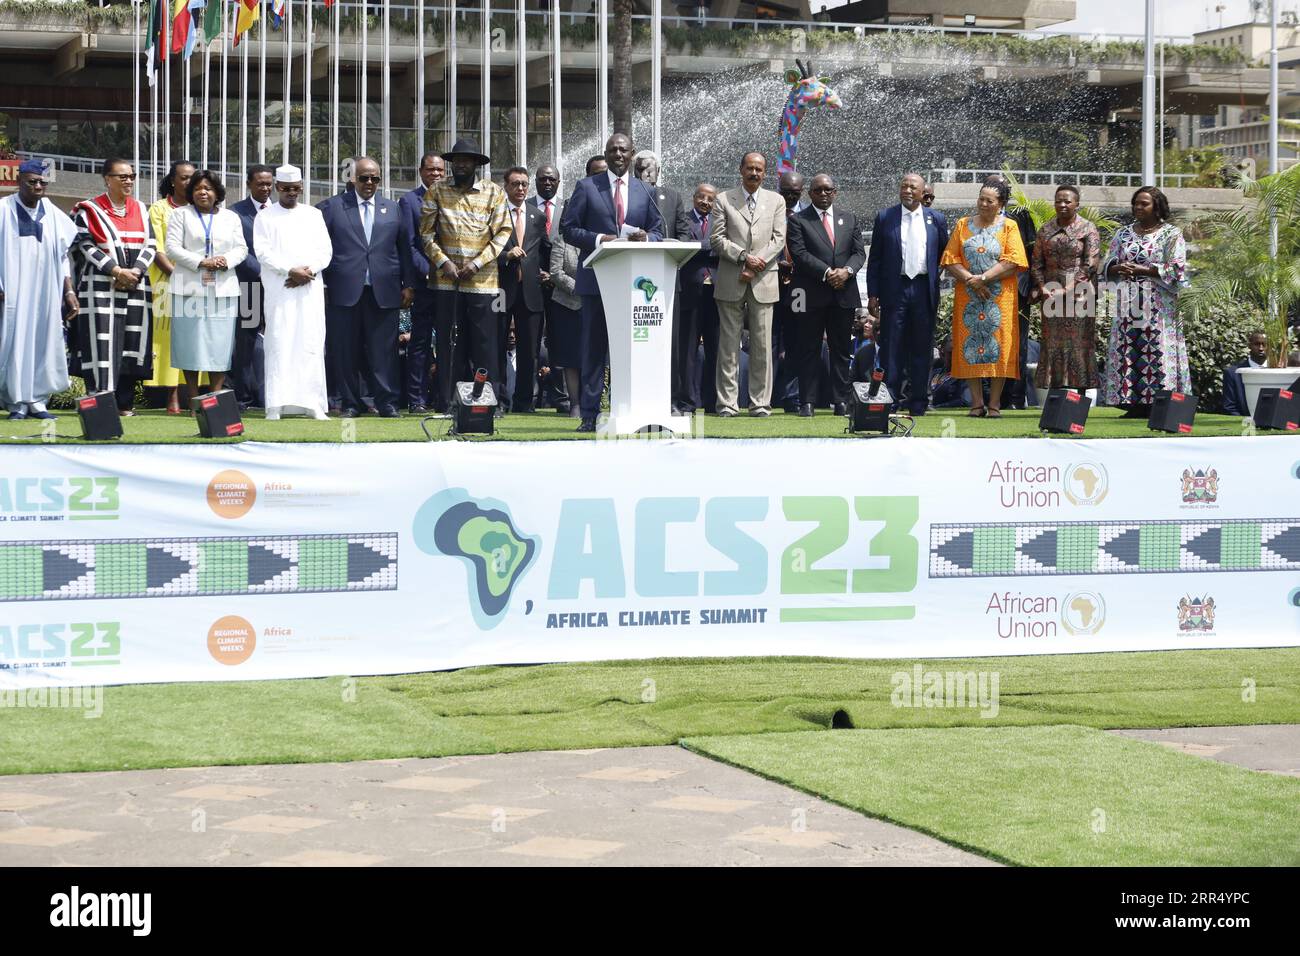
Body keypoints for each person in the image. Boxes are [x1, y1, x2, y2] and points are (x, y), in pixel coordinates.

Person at [559, 132, 665, 432]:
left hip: (634, 285)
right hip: (596, 281)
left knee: (633, 348)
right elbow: (568, 229)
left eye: (623, 150)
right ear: (605, 155)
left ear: (632, 155)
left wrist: (648, 237)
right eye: (612, 150)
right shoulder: (586, 187)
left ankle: (632, 411)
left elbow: (659, 229)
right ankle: (590, 414)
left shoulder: (645, 191)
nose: (618, 154)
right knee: (594, 348)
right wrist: (599, 239)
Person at [420, 138, 513, 411]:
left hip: (483, 283)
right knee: (450, 345)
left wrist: (476, 264)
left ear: (476, 164)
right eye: (456, 160)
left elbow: (504, 232)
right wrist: (443, 262)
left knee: (485, 346)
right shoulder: (436, 190)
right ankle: (448, 402)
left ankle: (486, 405)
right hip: (447, 283)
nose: (461, 164)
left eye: (466, 160)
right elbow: (425, 234)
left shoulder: (494, 192)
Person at [319, 156, 414, 418]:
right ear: (353, 178)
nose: (369, 182)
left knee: (384, 352)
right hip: (344, 290)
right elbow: (320, 248)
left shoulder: (393, 208)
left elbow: (405, 248)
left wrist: (409, 285)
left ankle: (387, 402)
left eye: (375, 178)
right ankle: (350, 403)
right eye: (364, 178)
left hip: (384, 291)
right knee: (345, 350)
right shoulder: (333, 207)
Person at [71, 158, 157, 415]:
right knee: (101, 342)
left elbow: (151, 244)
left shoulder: (141, 209)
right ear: (107, 179)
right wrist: (116, 270)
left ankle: (124, 403)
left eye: (131, 176)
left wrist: (136, 271)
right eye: (122, 176)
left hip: (136, 285)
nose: (128, 181)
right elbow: (85, 245)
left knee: (132, 343)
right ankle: (99, 402)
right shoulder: (89, 209)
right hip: (100, 285)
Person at [940, 178, 1028, 418]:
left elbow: (1014, 261)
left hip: (999, 299)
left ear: (1000, 204)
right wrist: (972, 280)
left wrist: (985, 278)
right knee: (970, 346)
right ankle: (977, 403)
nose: (983, 204)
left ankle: (995, 404)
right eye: (981, 198)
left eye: (989, 201)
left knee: (999, 346)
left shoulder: (1009, 226)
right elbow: (950, 259)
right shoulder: (962, 224)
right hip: (968, 297)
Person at [253, 164, 333, 420]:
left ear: (301, 188)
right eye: (286, 189)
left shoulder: (313, 214)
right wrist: (290, 270)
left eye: (295, 189)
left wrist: (307, 272)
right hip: (281, 288)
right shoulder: (265, 216)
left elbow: (325, 252)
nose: (291, 193)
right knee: (279, 342)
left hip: (309, 288)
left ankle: (313, 403)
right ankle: (276, 404)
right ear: (277, 188)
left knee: (309, 342)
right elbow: (263, 252)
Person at [1101, 185, 1190, 415]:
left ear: (1157, 206)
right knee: (1128, 348)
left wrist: (1145, 270)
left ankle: (1159, 405)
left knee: (1156, 351)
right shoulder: (1123, 233)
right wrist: (1118, 267)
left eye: (1144, 203)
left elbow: (1178, 269)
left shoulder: (1171, 234)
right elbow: (1107, 263)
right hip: (1128, 304)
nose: (1138, 207)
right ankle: (1132, 404)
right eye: (1135, 203)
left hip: (1159, 305)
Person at [0, 159, 78, 420]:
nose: (38, 186)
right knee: (14, 341)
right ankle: (16, 401)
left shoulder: (54, 213)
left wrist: (68, 291)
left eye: (42, 182)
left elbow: (63, 255)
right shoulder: (3, 209)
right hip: (12, 292)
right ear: (18, 182)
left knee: (44, 340)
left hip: (46, 291)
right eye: (32, 181)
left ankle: (37, 400)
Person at [710, 150, 786, 417]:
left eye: (759, 169)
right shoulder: (723, 200)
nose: (754, 173)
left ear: (765, 173)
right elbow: (716, 239)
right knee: (728, 346)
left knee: (763, 347)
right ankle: (727, 404)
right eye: (750, 168)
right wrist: (744, 257)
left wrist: (756, 263)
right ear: (740, 170)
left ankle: (760, 403)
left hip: (764, 280)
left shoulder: (776, 201)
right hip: (731, 279)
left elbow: (779, 240)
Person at [867, 172, 948, 415]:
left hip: (923, 289)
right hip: (895, 289)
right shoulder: (885, 217)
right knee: (892, 346)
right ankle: (891, 399)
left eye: (913, 187)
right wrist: (873, 293)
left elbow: (944, 254)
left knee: (922, 347)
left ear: (924, 192)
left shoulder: (937, 219)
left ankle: (919, 401)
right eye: (904, 186)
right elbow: (876, 259)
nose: (908, 190)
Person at [787, 173, 865, 416]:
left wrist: (847, 271)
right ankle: (807, 402)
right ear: (809, 193)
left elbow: (859, 253)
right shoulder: (799, 220)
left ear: (835, 192)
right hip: (810, 293)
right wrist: (828, 272)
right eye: (818, 190)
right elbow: (799, 254)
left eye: (827, 190)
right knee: (808, 347)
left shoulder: (849, 219)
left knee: (841, 349)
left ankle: (840, 401)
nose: (823, 194)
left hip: (843, 293)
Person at [166, 170, 247, 398]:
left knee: (219, 345)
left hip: (223, 289)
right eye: (198, 188)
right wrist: (202, 262)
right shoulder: (181, 215)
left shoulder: (230, 217)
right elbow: (172, 247)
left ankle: (215, 398)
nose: (203, 192)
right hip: (188, 288)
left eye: (208, 188)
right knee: (189, 343)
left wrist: (225, 261)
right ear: (191, 192)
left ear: (217, 192)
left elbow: (241, 248)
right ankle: (193, 399)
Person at [1031, 184, 1101, 393]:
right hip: (1050, 295)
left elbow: (1091, 263)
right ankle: (1055, 395)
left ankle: (1079, 397)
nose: (1062, 205)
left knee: (1079, 343)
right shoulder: (1045, 229)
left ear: (1077, 204)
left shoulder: (1088, 228)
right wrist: (1043, 287)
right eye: (1058, 200)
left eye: (1067, 201)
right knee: (1053, 343)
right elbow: (1036, 263)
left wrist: (1066, 289)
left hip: (1079, 296)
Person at [146, 159, 196, 413]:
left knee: (193, 338)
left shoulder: (203, 209)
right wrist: (179, 276)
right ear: (173, 180)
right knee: (168, 340)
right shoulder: (159, 208)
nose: (189, 182)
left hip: (198, 285)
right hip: (167, 282)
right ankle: (172, 396)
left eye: (192, 177)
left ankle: (194, 396)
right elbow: (157, 248)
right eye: (184, 177)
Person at [399, 151, 445, 413]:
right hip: (425, 282)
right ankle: (416, 399)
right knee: (420, 343)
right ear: (421, 172)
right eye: (431, 170)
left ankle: (443, 397)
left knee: (449, 342)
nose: (436, 174)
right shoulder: (409, 201)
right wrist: (429, 270)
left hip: (452, 282)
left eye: (440, 170)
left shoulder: (452, 197)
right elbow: (409, 245)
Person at [227, 164, 275, 409]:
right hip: (250, 287)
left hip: (279, 288)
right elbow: (238, 250)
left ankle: (274, 396)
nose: (266, 188)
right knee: (245, 344)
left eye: (269, 183)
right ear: (249, 184)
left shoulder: (281, 211)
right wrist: (264, 272)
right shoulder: (235, 213)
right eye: (260, 183)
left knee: (279, 339)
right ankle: (243, 397)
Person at [499, 166, 546, 412]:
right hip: (501, 289)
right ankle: (500, 400)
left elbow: (544, 249)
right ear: (505, 186)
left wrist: (549, 272)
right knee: (498, 347)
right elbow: (486, 248)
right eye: (515, 184)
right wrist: (506, 255)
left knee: (530, 350)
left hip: (531, 292)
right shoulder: (495, 214)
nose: (520, 188)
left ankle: (525, 401)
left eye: (524, 184)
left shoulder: (537, 216)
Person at [677, 182, 720, 414]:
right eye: (702, 197)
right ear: (694, 197)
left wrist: (700, 247)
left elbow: (723, 248)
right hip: (690, 291)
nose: (705, 202)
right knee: (688, 351)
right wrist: (709, 246)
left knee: (716, 348)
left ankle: (713, 402)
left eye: (710, 199)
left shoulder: (720, 221)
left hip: (716, 292)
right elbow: (684, 248)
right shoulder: (683, 219)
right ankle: (688, 401)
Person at [772, 169, 807, 414]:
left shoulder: (808, 214)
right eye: (785, 193)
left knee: (796, 340)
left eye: (795, 193)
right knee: (769, 341)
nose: (790, 198)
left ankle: (792, 396)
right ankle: (767, 395)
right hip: (770, 283)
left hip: (800, 288)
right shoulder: (769, 209)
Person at [1221, 329, 1268, 417]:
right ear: (1249, 346)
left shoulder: (1279, 371)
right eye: (1257, 344)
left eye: (1264, 345)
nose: (1261, 348)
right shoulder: (1232, 373)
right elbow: (1229, 407)